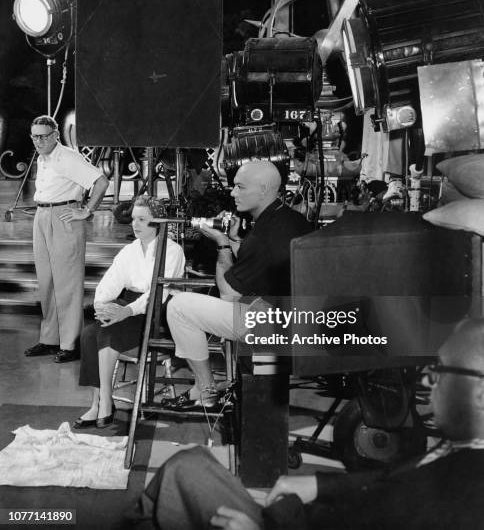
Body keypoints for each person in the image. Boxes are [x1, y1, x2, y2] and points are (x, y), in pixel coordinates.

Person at [125, 317, 484, 529]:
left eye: (439, 373)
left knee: (183, 470)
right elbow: (389, 483)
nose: (425, 382)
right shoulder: (463, 448)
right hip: (309, 517)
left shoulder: (465, 491)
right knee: (187, 466)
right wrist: (322, 485)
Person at [164, 160, 312, 411]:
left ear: (264, 190)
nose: (233, 193)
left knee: (178, 306)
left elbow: (228, 294)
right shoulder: (287, 219)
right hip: (294, 314)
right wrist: (234, 239)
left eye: (240, 187)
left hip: (277, 326)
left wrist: (221, 243)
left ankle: (205, 389)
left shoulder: (267, 235)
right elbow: (258, 262)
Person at [73, 195, 185, 429]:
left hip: (159, 313)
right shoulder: (130, 251)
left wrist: (125, 312)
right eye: (134, 219)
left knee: (109, 331)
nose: (135, 224)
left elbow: (158, 294)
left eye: (142, 219)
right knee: (89, 334)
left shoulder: (172, 251)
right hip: (128, 308)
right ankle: (98, 403)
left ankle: (105, 402)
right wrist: (102, 306)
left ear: (158, 222)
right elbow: (109, 282)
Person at [24, 115, 109, 363]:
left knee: (67, 284)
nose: (38, 141)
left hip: (64, 216)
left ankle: (71, 344)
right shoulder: (43, 158)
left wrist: (87, 210)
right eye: (34, 136)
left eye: (42, 136)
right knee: (47, 281)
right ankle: (50, 339)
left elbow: (101, 182)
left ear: (55, 136)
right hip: (42, 215)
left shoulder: (68, 157)